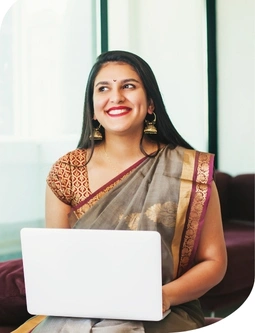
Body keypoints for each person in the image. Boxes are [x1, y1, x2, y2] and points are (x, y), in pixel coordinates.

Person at [13, 50, 227, 333]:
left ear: (151, 103)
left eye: (128, 86)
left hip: (164, 309)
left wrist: (160, 297)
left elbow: (214, 262)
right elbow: (57, 262)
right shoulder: (66, 170)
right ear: (92, 106)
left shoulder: (190, 171)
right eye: (104, 88)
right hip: (79, 310)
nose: (116, 97)